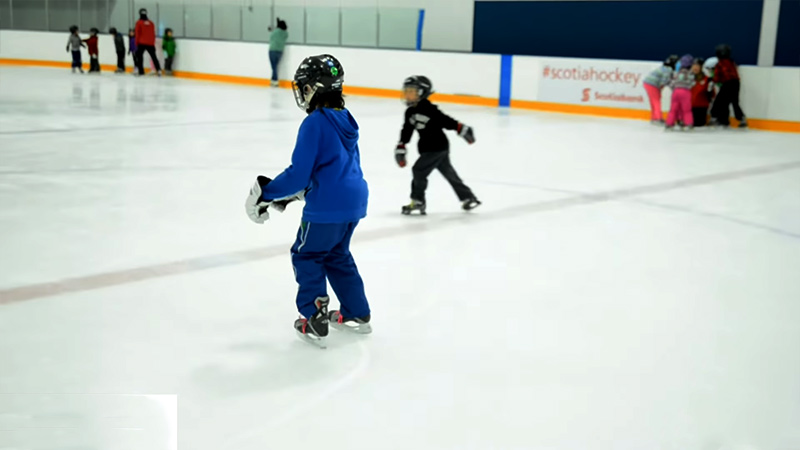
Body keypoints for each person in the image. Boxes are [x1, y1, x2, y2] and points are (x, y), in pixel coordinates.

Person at [244, 54, 372, 348]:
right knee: (337, 255)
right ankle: (357, 313)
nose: (301, 93)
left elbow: (299, 174)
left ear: (315, 88)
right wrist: (301, 191)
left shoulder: (315, 123)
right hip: (353, 201)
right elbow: (333, 168)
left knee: (307, 255)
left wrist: (266, 193)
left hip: (327, 206)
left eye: (304, 87)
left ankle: (314, 318)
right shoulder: (345, 118)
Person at [395, 76, 480, 215]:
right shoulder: (409, 112)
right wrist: (402, 145)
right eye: (407, 91)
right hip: (428, 148)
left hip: (437, 147)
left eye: (412, 91)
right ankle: (468, 197)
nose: (407, 94)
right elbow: (407, 130)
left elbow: (445, 121)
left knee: (418, 170)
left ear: (422, 93)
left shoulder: (429, 109)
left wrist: (461, 128)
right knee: (449, 173)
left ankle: (418, 201)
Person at [710, 44, 747, 128]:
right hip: (736, 83)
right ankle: (741, 118)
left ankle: (720, 119)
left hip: (727, 84)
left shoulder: (720, 64)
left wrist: (713, 80)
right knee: (734, 102)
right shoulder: (732, 62)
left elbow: (716, 77)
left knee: (720, 101)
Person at [643, 55, 678, 124]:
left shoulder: (664, 67)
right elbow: (663, 81)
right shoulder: (668, 70)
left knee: (653, 101)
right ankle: (658, 118)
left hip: (647, 83)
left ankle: (654, 118)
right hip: (653, 84)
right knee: (656, 101)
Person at [666, 54, 696, 130]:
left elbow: (671, 83)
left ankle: (669, 124)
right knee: (686, 110)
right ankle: (688, 124)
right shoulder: (690, 73)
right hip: (685, 92)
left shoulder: (677, 73)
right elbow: (692, 83)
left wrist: (675, 88)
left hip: (676, 92)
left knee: (673, 110)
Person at [134, 8, 162, 76]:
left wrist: (136, 42)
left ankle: (141, 71)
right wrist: (152, 42)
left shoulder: (139, 22)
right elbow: (153, 33)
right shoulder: (151, 23)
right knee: (154, 57)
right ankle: (158, 70)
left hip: (141, 42)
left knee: (139, 57)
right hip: (150, 43)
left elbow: (137, 33)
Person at [690, 58, 713, 127]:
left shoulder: (707, 79)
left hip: (701, 107)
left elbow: (711, 94)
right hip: (690, 107)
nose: (695, 67)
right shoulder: (688, 78)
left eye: (697, 66)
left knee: (699, 125)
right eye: (693, 65)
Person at [268, 19, 288, 87]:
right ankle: (273, 80)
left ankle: (275, 81)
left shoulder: (275, 31)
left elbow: (271, 37)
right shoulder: (285, 33)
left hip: (273, 50)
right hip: (280, 51)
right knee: (275, 66)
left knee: (274, 67)